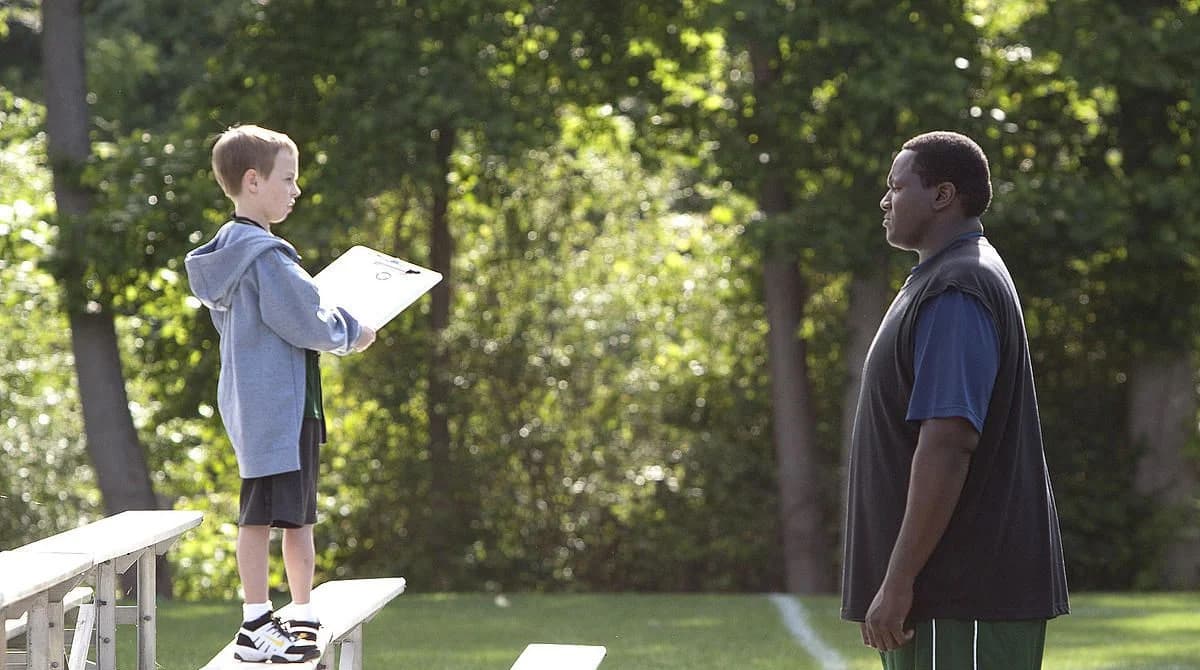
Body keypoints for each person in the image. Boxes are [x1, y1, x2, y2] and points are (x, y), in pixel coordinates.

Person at [841, 131, 1069, 669]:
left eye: (896, 186)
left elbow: (948, 444)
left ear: (943, 195)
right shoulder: (941, 279)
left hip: (957, 595)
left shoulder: (958, 287)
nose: (885, 200)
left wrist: (898, 581)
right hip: (939, 597)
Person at [185, 125, 376, 663]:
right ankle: (254, 624)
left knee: (296, 515)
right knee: (260, 517)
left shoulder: (240, 254)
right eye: (287, 179)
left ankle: (301, 614)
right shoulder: (264, 256)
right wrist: (352, 332)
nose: (296, 190)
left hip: (286, 406)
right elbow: (304, 319)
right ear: (252, 181)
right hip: (277, 411)